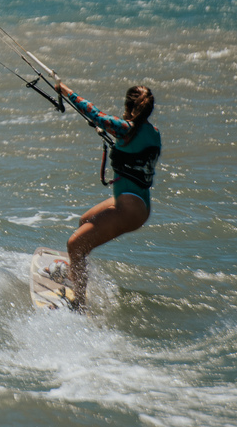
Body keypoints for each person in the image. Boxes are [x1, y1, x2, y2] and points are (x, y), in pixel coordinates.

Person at [51, 80, 160, 306]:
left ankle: (78, 304)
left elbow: (94, 113)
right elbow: (131, 146)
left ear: (129, 107)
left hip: (128, 210)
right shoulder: (153, 132)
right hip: (137, 204)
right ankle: (75, 275)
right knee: (85, 221)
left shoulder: (125, 129)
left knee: (75, 245)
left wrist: (64, 90)